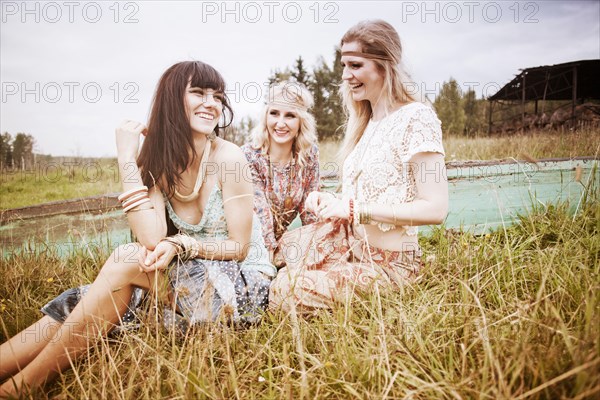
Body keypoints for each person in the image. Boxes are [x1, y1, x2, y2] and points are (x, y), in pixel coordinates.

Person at [0, 61, 274, 396]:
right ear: (172, 99)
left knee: (127, 261)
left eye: (217, 95)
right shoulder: (160, 162)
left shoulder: (229, 158)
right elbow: (151, 238)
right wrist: (128, 160)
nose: (212, 102)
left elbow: (239, 247)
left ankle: (20, 388)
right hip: (191, 283)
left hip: (244, 288)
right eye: (199, 92)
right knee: (88, 299)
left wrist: (182, 245)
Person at [269, 20, 448, 312]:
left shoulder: (416, 118)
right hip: (351, 241)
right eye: (344, 66)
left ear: (384, 65)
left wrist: (354, 210)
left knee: (284, 291)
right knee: (280, 250)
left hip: (391, 264)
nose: (346, 76)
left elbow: (436, 209)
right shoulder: (365, 122)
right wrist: (333, 202)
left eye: (355, 65)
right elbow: (368, 194)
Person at [242, 81, 320, 261]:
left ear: (301, 121)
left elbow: (309, 210)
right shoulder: (249, 155)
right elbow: (260, 213)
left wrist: (316, 245)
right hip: (249, 243)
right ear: (265, 116)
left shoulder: (309, 155)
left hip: (281, 244)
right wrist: (268, 260)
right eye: (274, 113)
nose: (280, 123)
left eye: (290, 115)